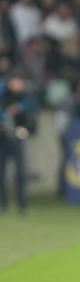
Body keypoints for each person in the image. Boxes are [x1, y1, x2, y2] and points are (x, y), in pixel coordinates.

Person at [0, 73, 35, 215]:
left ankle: (22, 204)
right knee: (1, 173)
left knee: (21, 173)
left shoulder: (26, 100)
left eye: (20, 82)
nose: (18, 85)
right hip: (2, 139)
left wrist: (26, 129)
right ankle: (3, 203)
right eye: (15, 82)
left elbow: (31, 121)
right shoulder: (3, 98)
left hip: (17, 139)